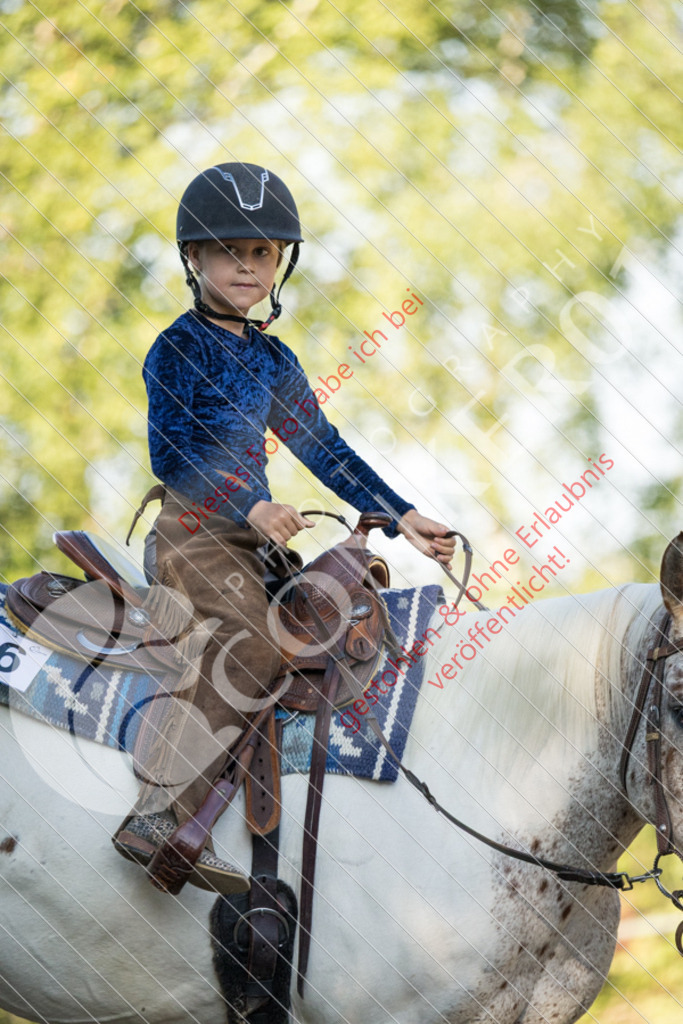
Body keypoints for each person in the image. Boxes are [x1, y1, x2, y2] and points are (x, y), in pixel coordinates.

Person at [114, 162, 456, 893]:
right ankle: (156, 816)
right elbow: (171, 453)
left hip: (252, 544)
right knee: (252, 643)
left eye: (263, 252)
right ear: (193, 259)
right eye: (228, 250)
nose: (247, 266)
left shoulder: (271, 359)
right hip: (194, 535)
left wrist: (399, 514)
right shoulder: (177, 349)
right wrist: (251, 509)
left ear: (280, 264)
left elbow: (323, 448)